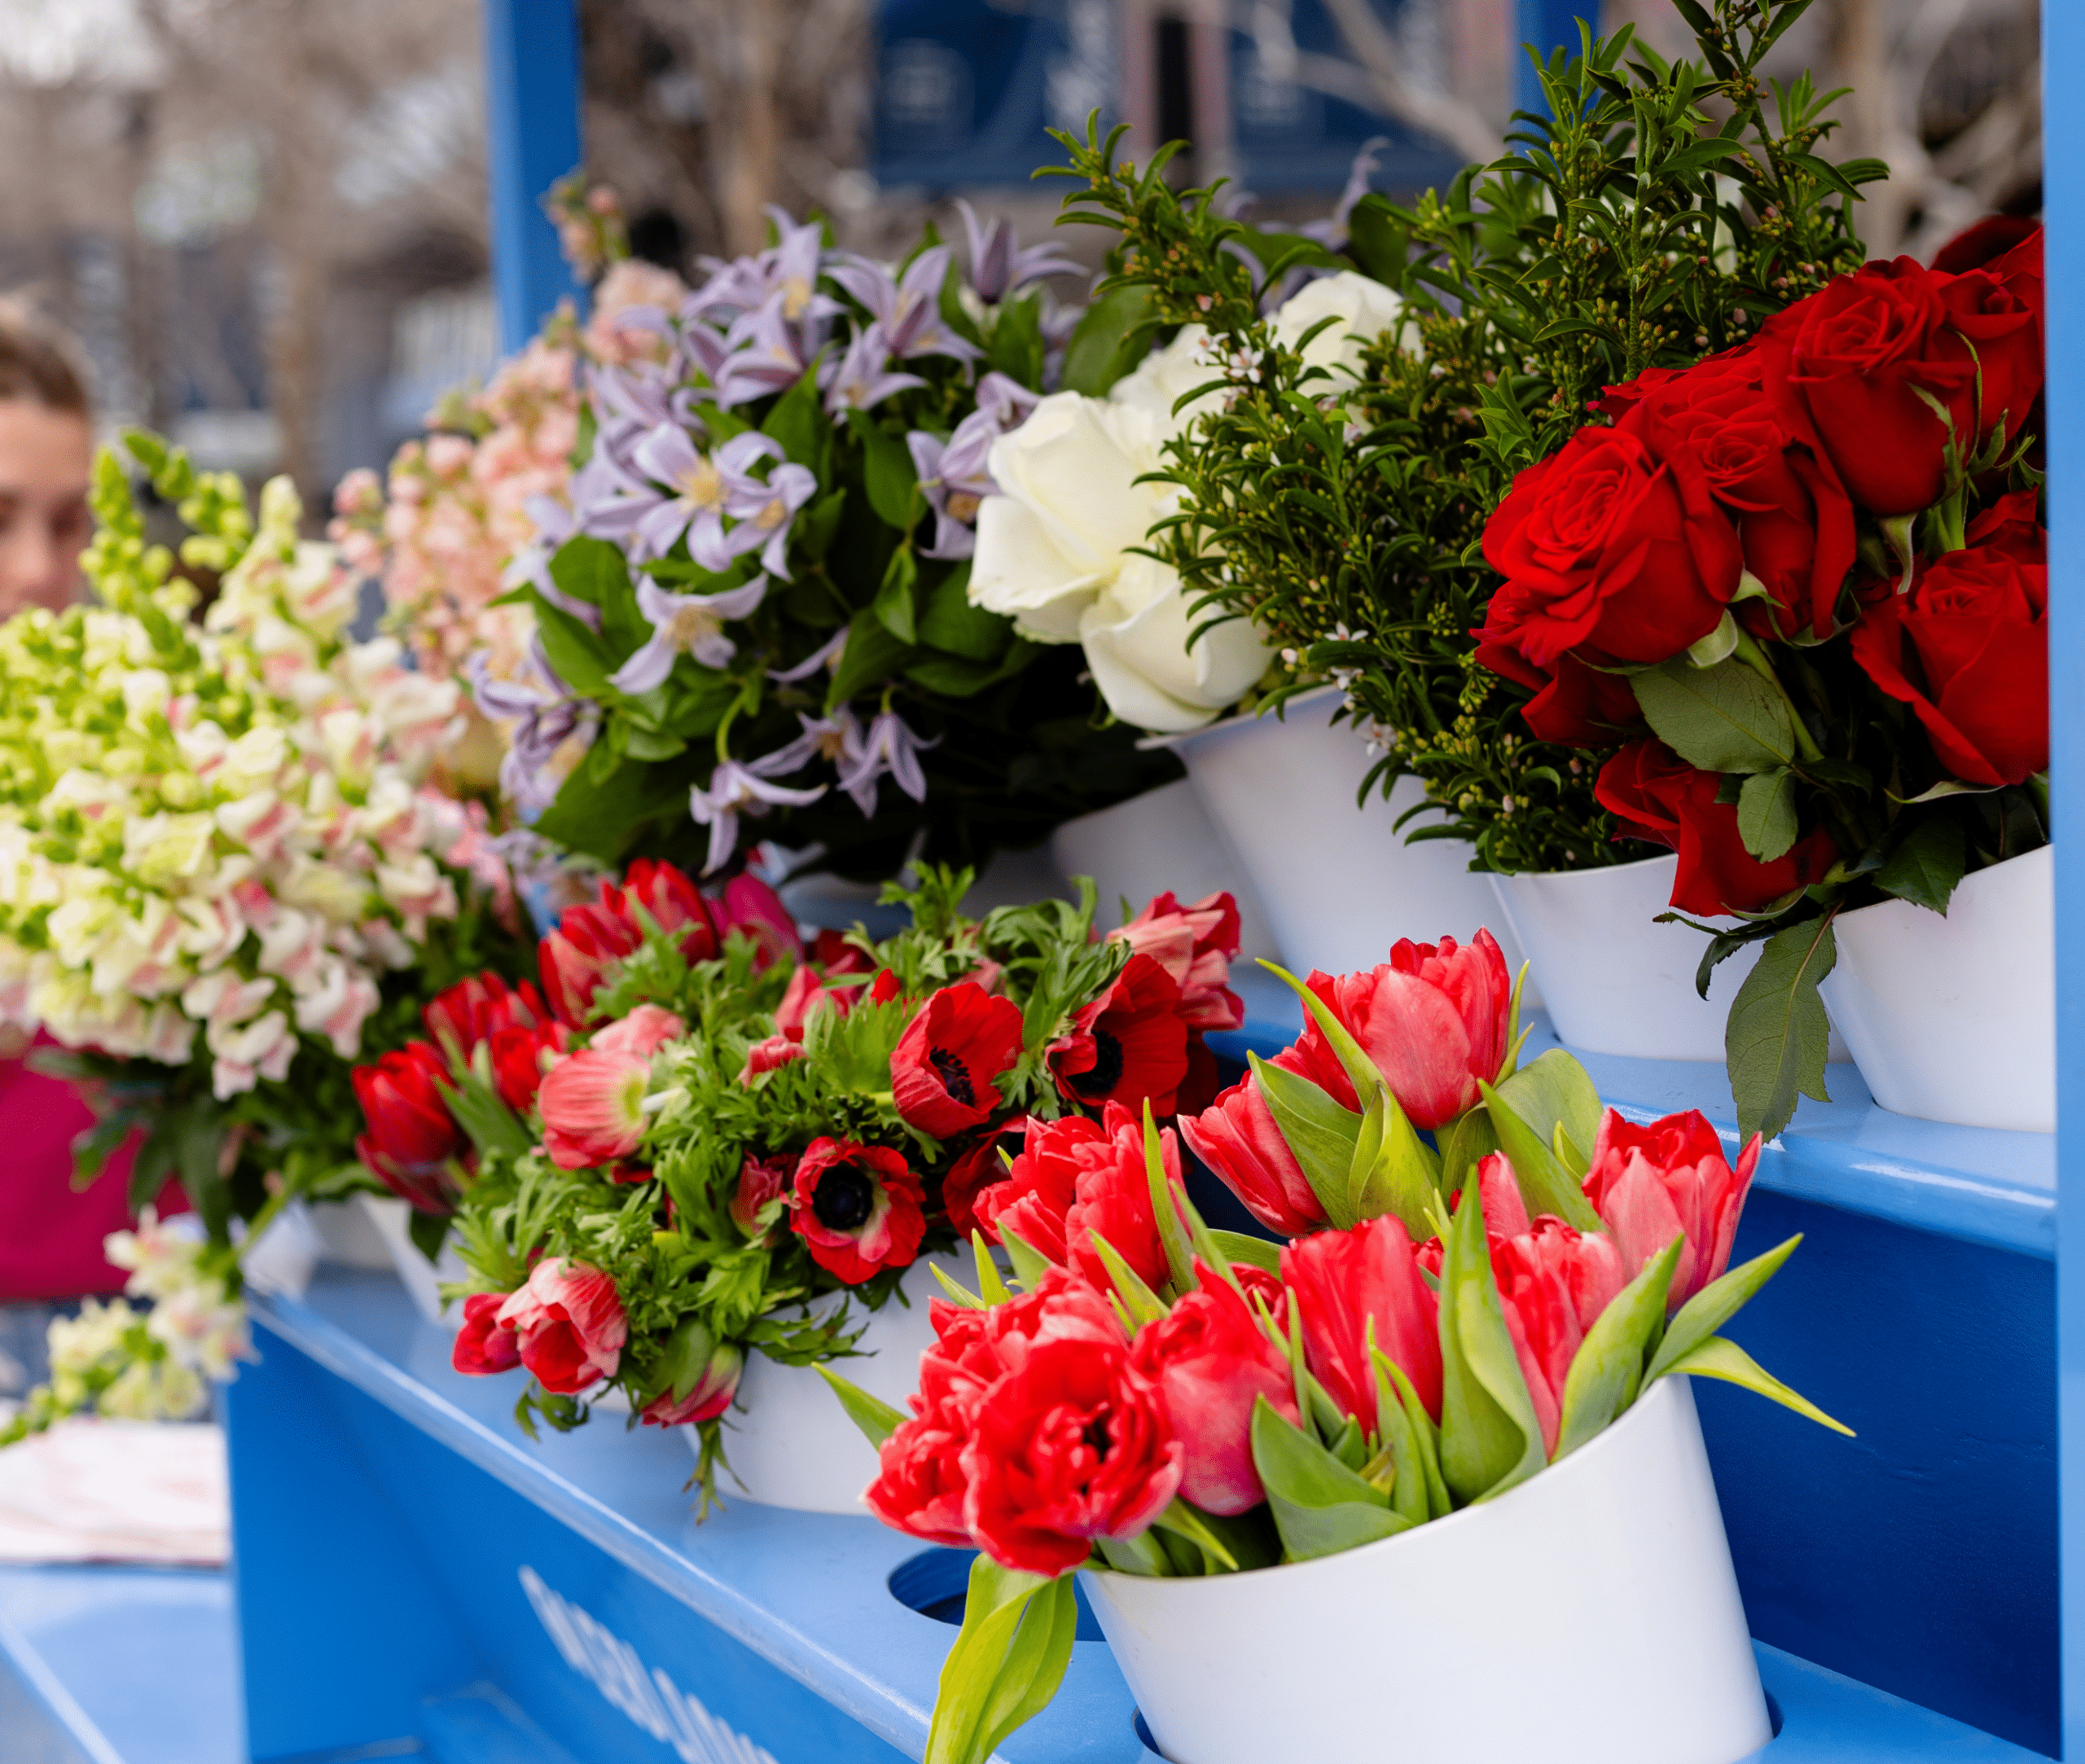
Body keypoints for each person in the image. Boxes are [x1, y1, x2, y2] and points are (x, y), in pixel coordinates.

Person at [0, 311, 172, 1393]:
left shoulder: (159, 727)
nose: (36, 569)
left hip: (152, 1324)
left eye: (69, 525)